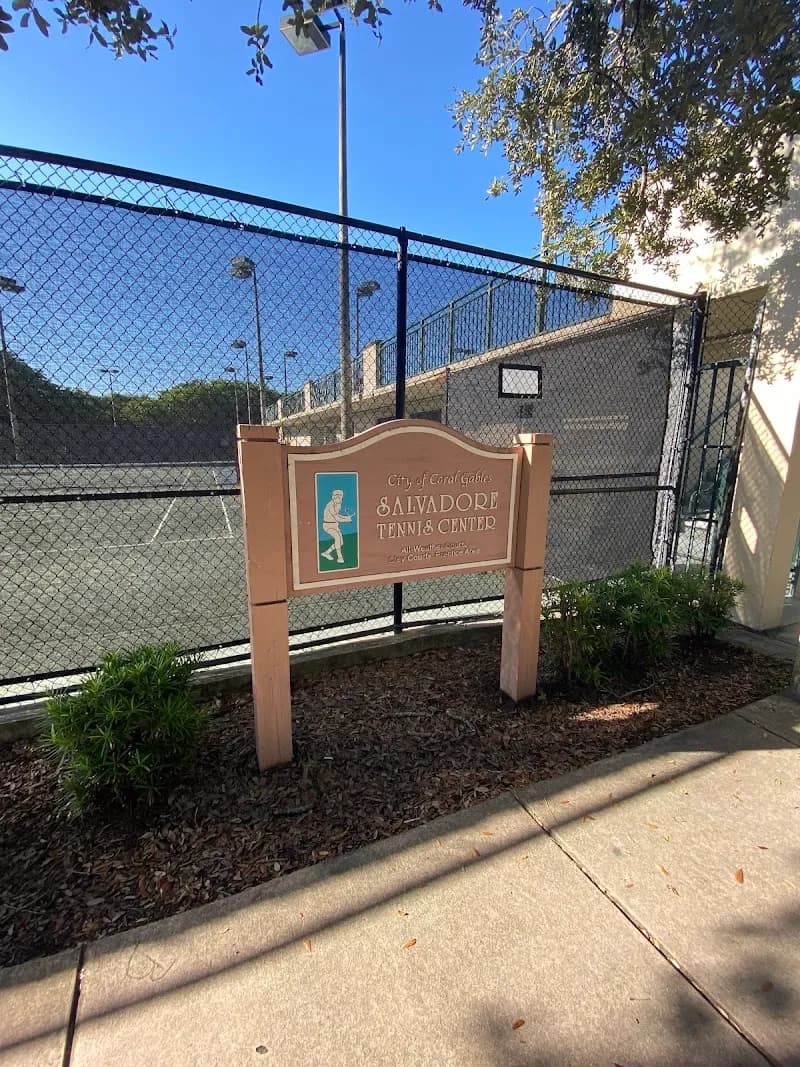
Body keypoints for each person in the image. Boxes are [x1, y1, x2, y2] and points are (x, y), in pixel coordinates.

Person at [320, 488, 351, 564]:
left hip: (335, 525)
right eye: (337, 497)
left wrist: (345, 517)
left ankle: (326, 553)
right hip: (328, 525)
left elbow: (337, 515)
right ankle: (340, 558)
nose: (339, 498)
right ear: (333, 497)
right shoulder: (330, 505)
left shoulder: (339, 504)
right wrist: (346, 520)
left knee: (340, 543)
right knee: (337, 537)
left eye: (340, 497)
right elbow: (336, 518)